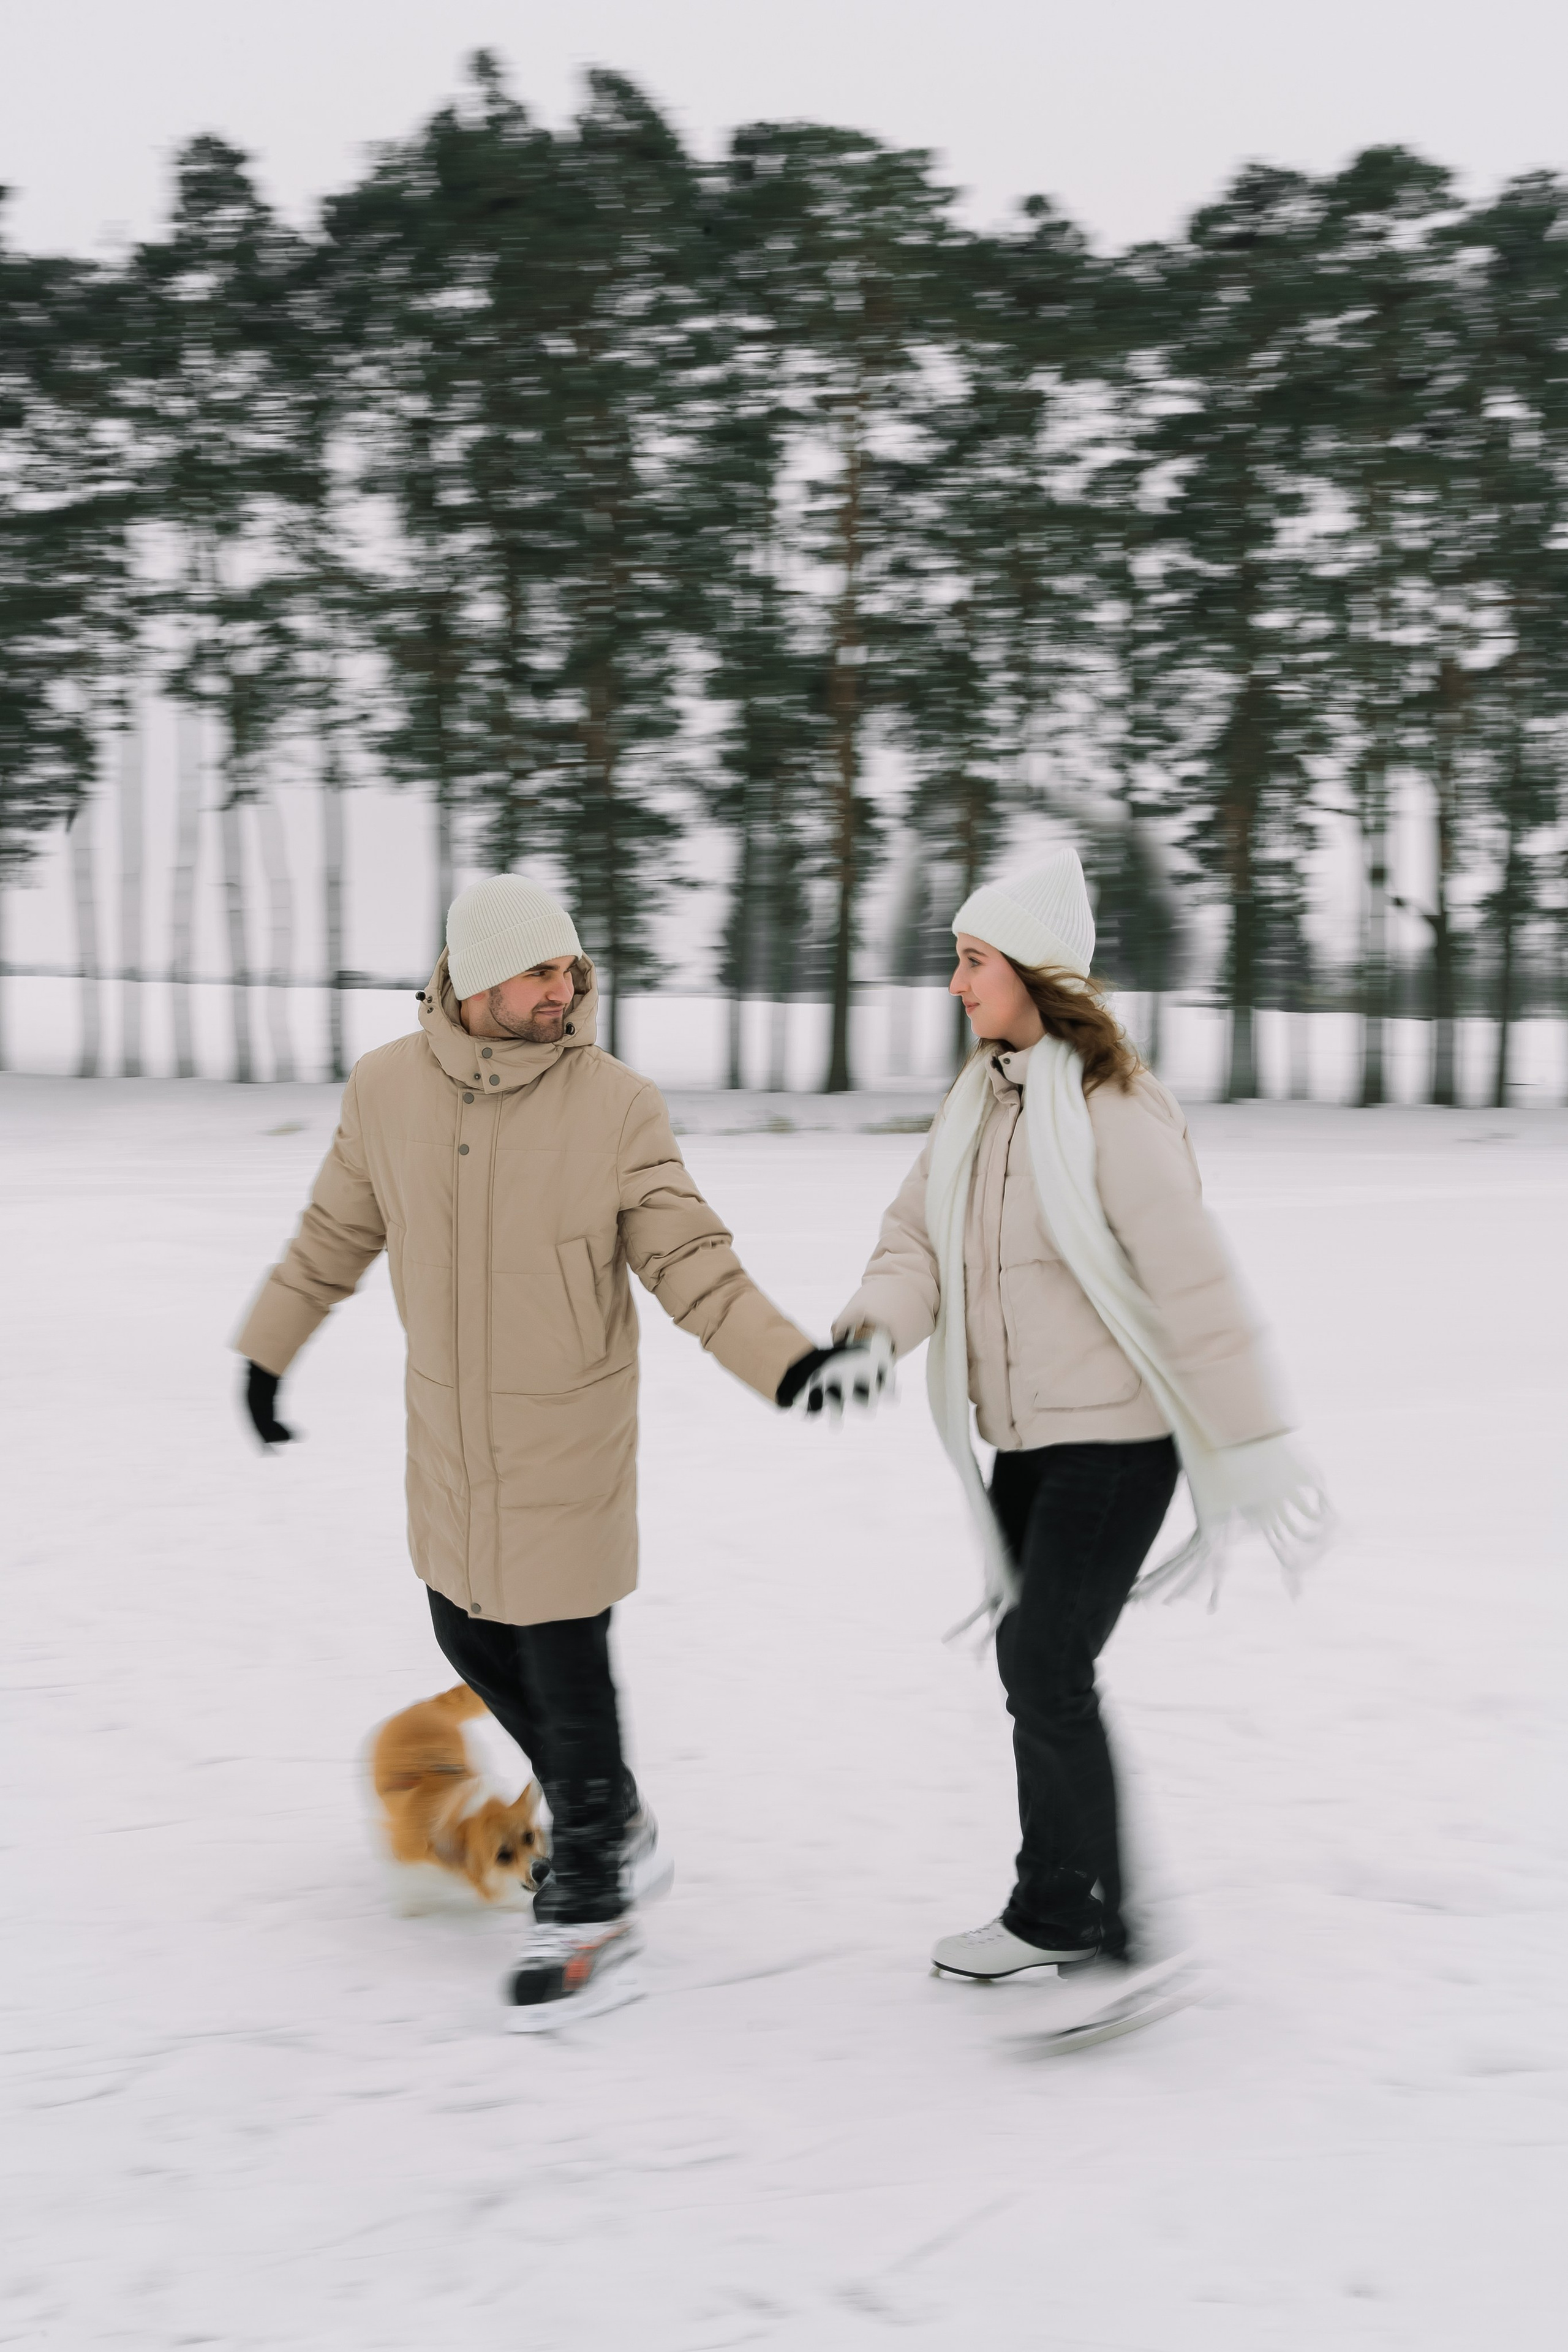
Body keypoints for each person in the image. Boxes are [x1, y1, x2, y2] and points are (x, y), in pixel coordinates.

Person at [236, 873, 883, 2022]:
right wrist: (268, 1352)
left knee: (565, 1658)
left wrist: (787, 1363)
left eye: (571, 969)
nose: (565, 990)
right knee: (463, 1626)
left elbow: (689, 1257)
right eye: (540, 971)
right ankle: (612, 1818)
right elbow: (334, 1232)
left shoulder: (615, 1106)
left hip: (566, 1432)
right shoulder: (387, 1090)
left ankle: (590, 1891)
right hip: (450, 1433)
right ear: (476, 978)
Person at [833, 846, 1322, 1984]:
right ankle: (1057, 1907)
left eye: (974, 961)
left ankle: (1115, 1929)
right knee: (1035, 1670)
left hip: (1119, 1442)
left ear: (1034, 972)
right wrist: (870, 1334)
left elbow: (1193, 1282)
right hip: (1026, 1440)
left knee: (1047, 1662)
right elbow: (915, 1243)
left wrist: (1252, 1438)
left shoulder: (1116, 1108)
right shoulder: (979, 1102)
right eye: (956, 960)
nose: (956, 983)